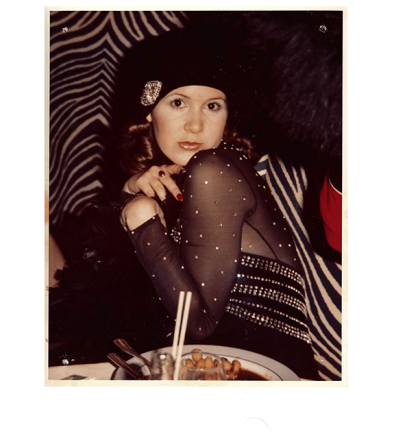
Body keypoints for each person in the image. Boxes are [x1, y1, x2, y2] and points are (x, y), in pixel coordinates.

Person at [116, 27, 320, 380]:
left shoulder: (212, 170)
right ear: (149, 112)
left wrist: (141, 218)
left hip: (266, 382)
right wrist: (130, 189)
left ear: (227, 117)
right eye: (178, 103)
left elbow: (199, 323)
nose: (195, 125)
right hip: (220, 374)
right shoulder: (190, 176)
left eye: (212, 106)